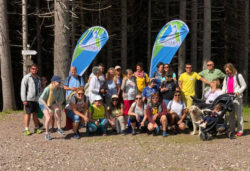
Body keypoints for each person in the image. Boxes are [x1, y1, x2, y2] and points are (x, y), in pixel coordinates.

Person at [222, 63, 246, 137]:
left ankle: (240, 130)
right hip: (229, 99)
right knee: (231, 115)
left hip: (237, 98)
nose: (227, 72)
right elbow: (224, 88)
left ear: (232, 69)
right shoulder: (226, 77)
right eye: (226, 71)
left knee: (239, 115)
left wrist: (238, 92)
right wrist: (221, 96)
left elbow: (244, 85)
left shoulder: (239, 76)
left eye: (228, 70)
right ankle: (232, 129)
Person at [39, 75, 65, 140]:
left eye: (60, 82)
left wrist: (57, 109)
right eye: (58, 82)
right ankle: (47, 133)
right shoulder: (48, 89)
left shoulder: (60, 89)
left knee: (58, 111)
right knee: (48, 118)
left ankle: (59, 128)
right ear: (53, 82)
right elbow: (42, 99)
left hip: (51, 102)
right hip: (43, 102)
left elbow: (60, 101)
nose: (60, 83)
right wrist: (49, 109)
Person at [21, 64, 42, 135]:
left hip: (36, 99)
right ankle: (26, 129)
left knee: (35, 114)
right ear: (30, 69)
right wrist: (24, 99)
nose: (34, 70)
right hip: (28, 99)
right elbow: (23, 88)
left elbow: (39, 89)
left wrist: (40, 98)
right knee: (28, 114)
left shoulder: (38, 78)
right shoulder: (27, 77)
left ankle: (36, 128)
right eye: (33, 69)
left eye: (35, 69)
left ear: (37, 69)